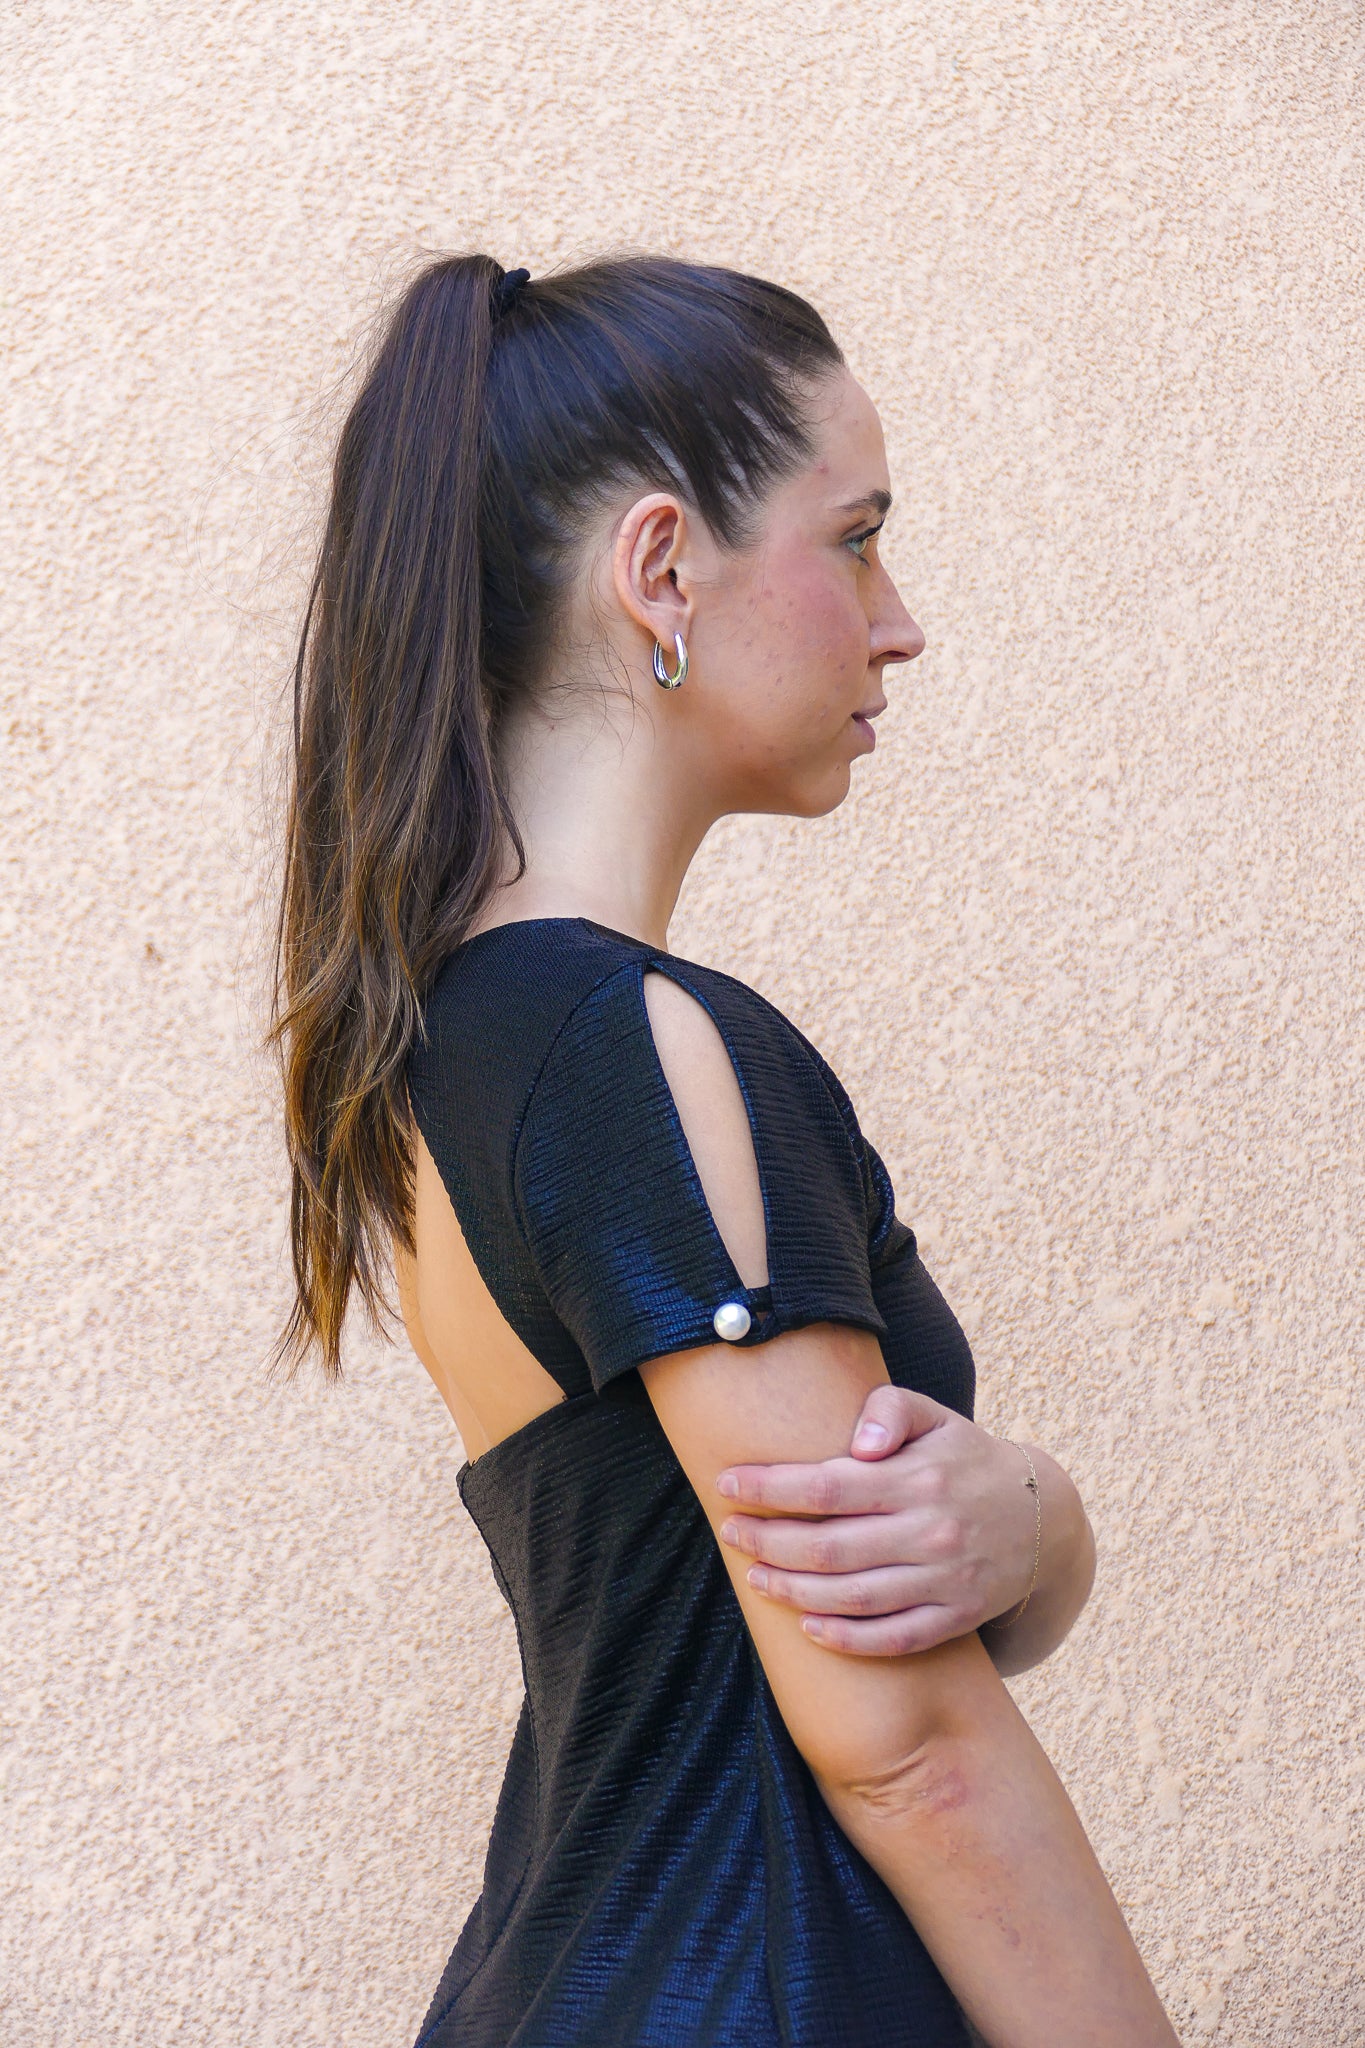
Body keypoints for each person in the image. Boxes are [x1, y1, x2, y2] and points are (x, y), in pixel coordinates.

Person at [272, 254, 1179, 2048]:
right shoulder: (640, 1044)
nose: (898, 623)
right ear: (662, 572)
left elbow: (714, 1593)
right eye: (856, 540)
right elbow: (901, 1744)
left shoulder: (450, 1040)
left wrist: (1042, 1530)